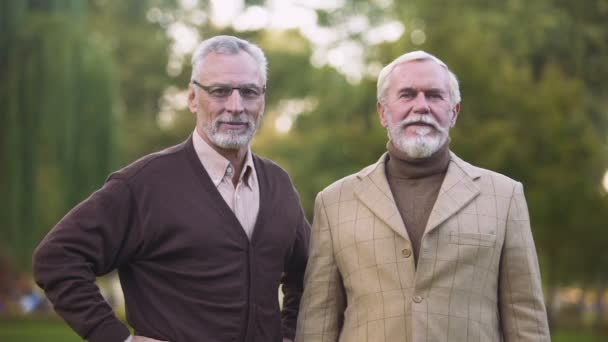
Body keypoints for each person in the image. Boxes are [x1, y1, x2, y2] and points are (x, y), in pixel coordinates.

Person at [33, 35, 309, 342]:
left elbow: (309, 275)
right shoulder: (143, 185)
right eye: (219, 91)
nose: (236, 106)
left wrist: (290, 334)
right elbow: (57, 258)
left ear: (262, 99)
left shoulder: (279, 185)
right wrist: (115, 338)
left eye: (249, 92)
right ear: (192, 97)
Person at [295, 51, 550, 341]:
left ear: (453, 112)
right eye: (407, 95)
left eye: (434, 95)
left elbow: (526, 317)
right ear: (383, 112)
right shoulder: (334, 201)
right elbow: (318, 320)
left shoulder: (504, 196)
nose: (421, 107)